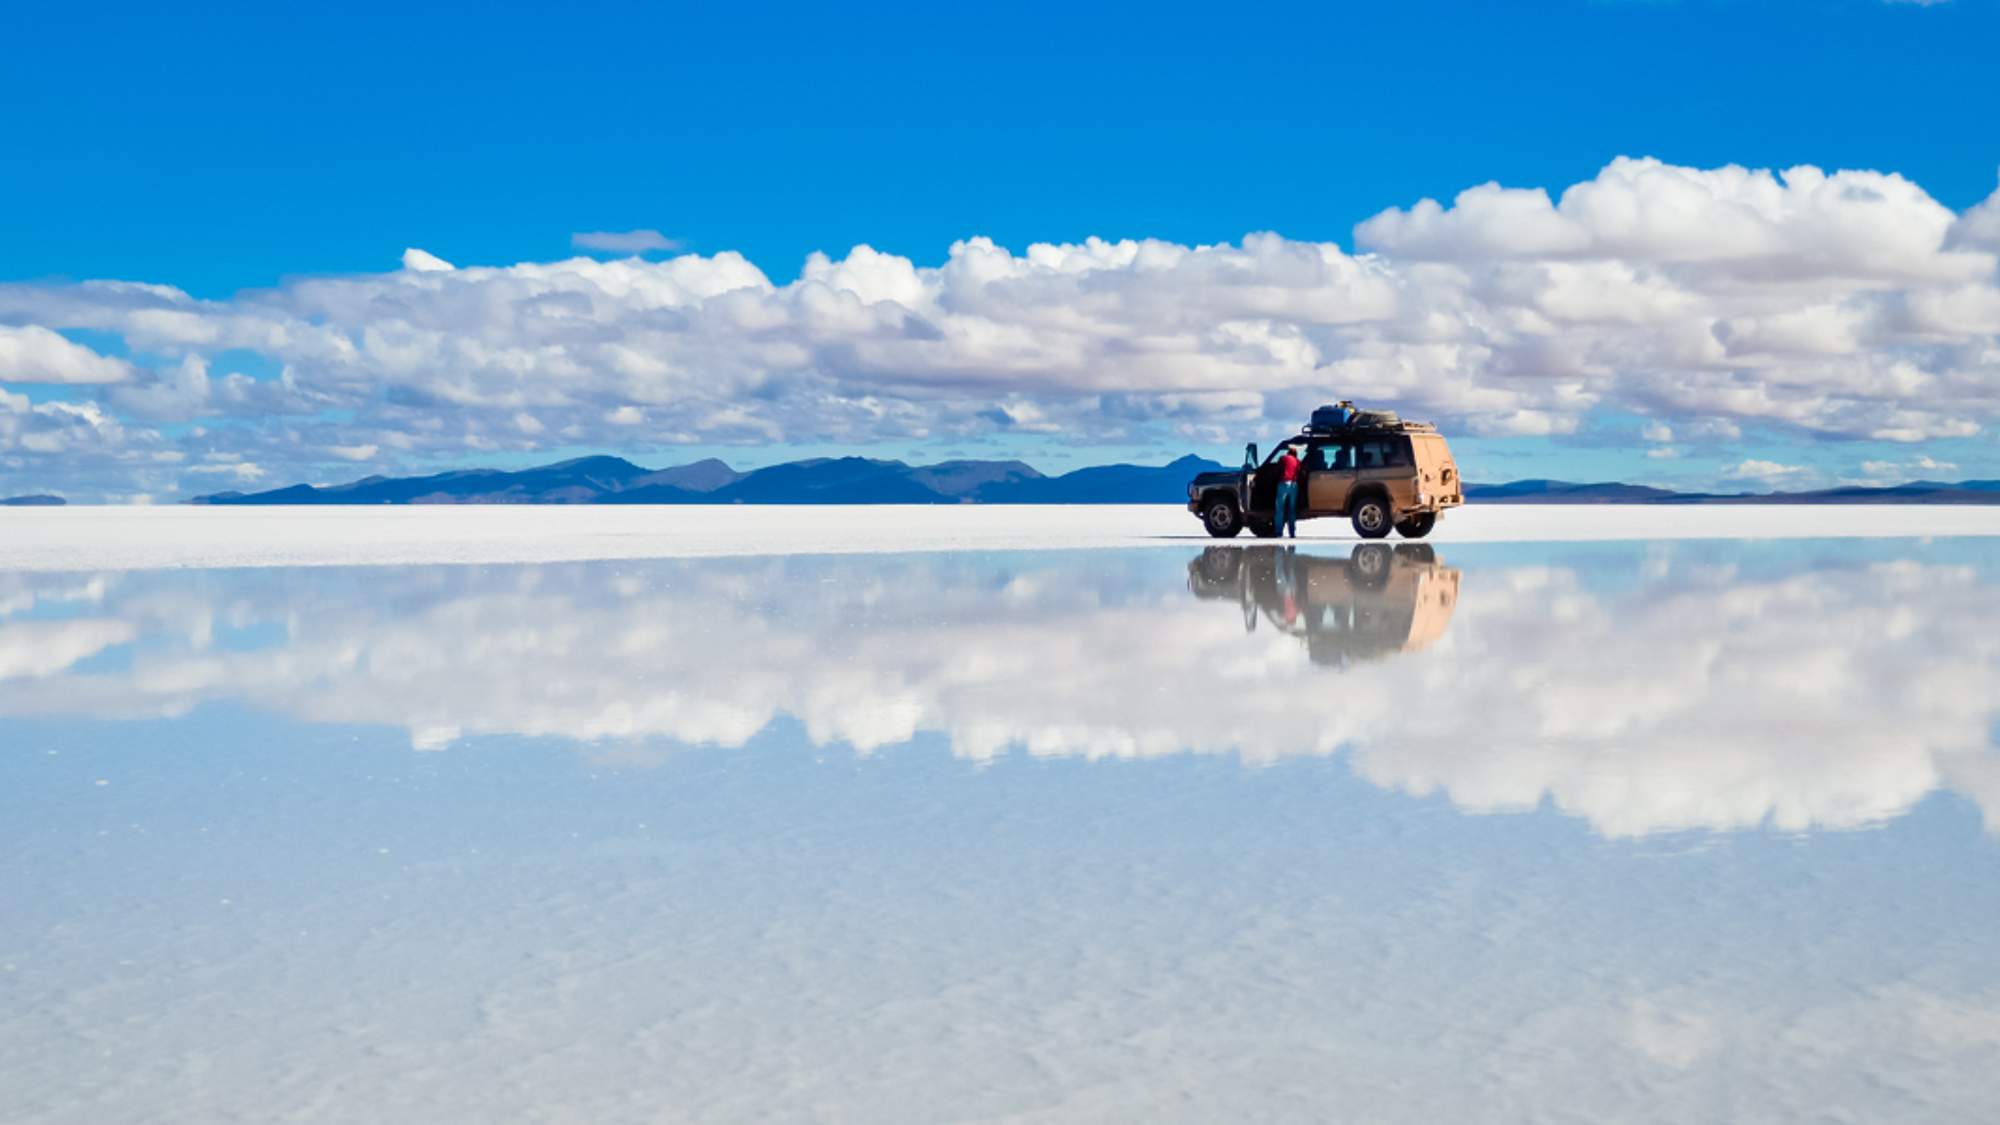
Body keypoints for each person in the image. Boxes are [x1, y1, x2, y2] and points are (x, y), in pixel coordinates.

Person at [1275, 444, 1302, 539]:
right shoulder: (1297, 461)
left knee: (1280, 508)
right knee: (1292, 509)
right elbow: (1300, 472)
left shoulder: (1283, 458)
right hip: (1294, 484)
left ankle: (1278, 531)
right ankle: (1292, 532)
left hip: (1284, 483)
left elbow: (1277, 470)